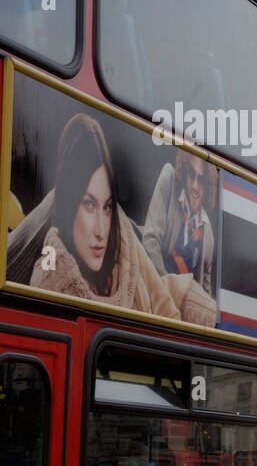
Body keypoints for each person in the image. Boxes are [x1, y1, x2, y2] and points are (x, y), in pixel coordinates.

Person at [23, 114, 215, 325]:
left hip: (179, 289)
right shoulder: (50, 275)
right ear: (69, 202)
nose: (100, 230)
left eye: (106, 207)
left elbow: (166, 307)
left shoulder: (122, 232)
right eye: (88, 204)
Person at [142, 147, 215, 296]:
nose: (195, 186)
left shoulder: (208, 235)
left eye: (201, 180)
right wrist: (167, 291)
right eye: (191, 175)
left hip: (182, 308)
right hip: (155, 288)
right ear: (184, 174)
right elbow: (150, 241)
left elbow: (206, 286)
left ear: (207, 187)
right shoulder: (169, 178)